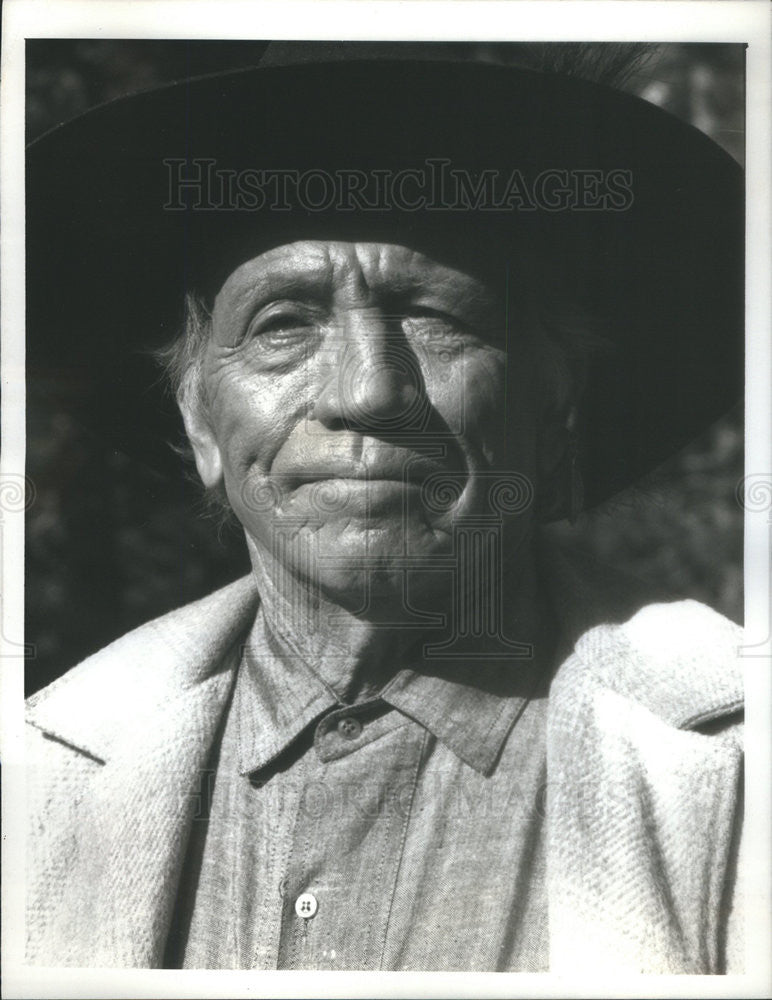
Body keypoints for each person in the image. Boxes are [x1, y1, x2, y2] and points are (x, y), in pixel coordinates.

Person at [25, 42, 744, 973]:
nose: (369, 392)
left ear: (555, 403)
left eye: (435, 317)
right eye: (282, 322)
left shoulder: (735, 766)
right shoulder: (40, 777)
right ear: (199, 420)